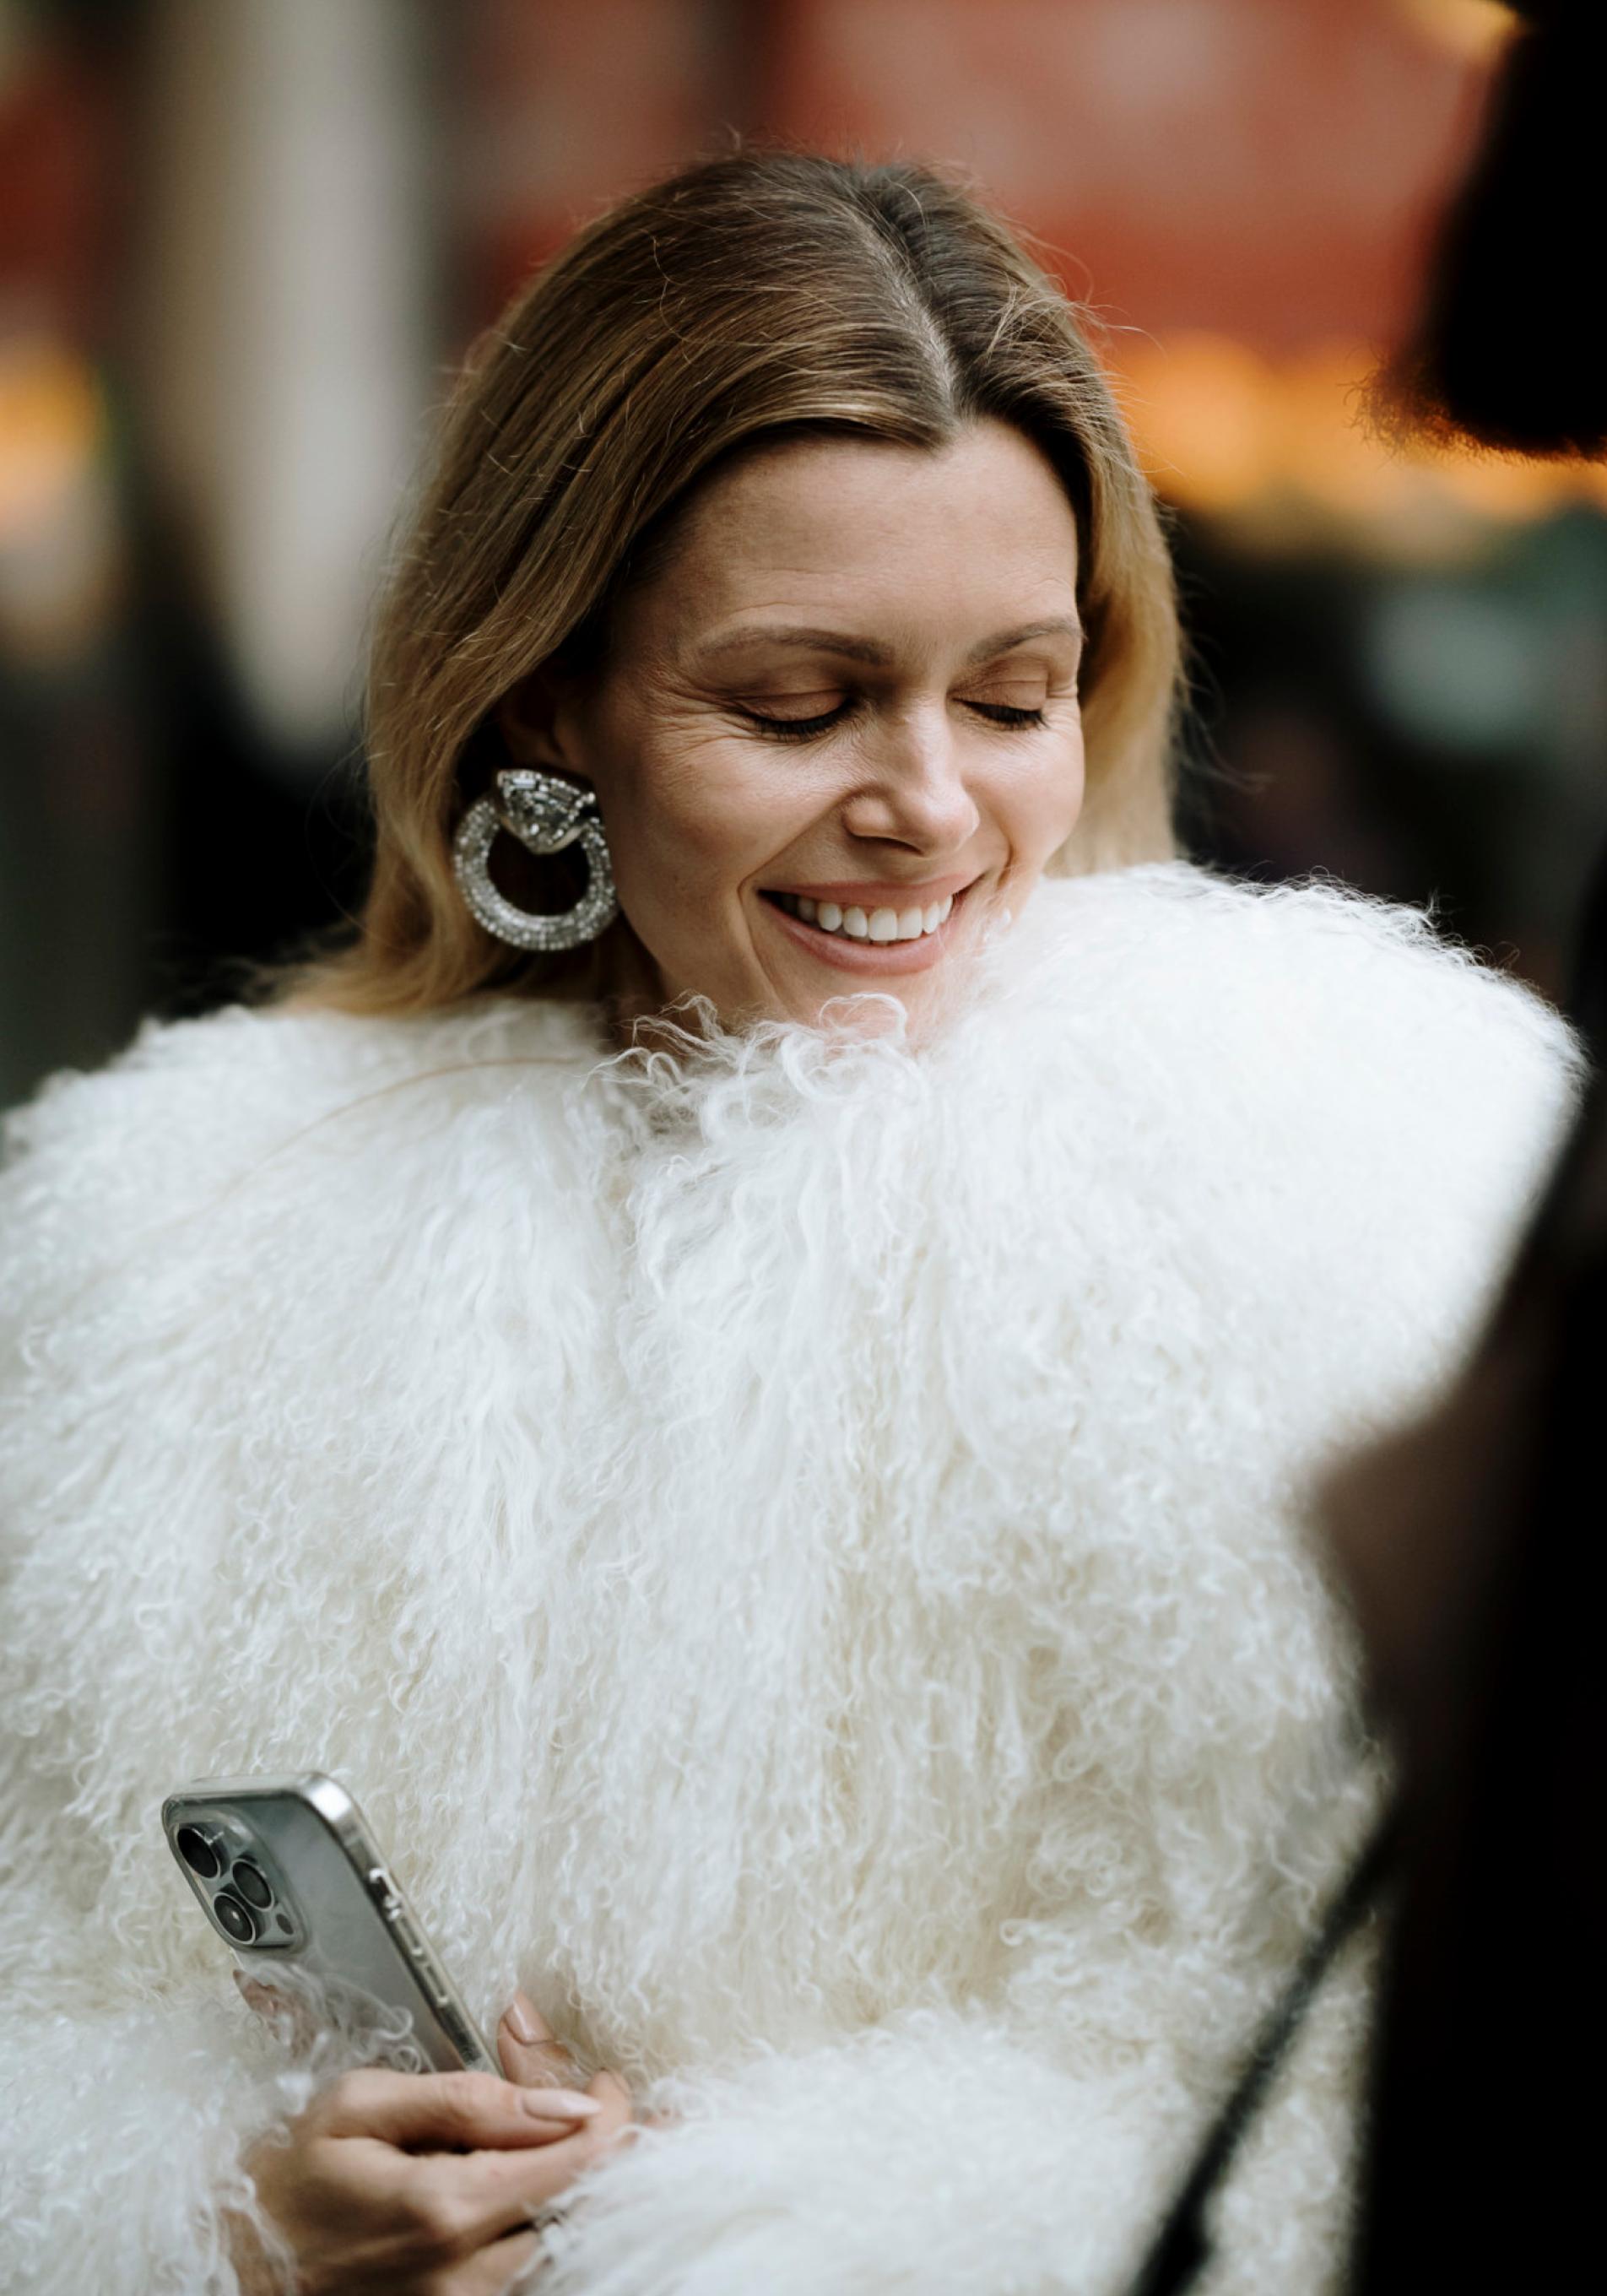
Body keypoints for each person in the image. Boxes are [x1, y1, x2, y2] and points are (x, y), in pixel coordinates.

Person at [0, 151, 1583, 2296]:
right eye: (798, 703)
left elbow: (1334, 2100)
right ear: (547, 691)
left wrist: (682, 2238)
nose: (928, 802)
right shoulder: (170, 1243)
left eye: (1012, 697)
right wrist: (221, 2205)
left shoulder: (1333, 1182)